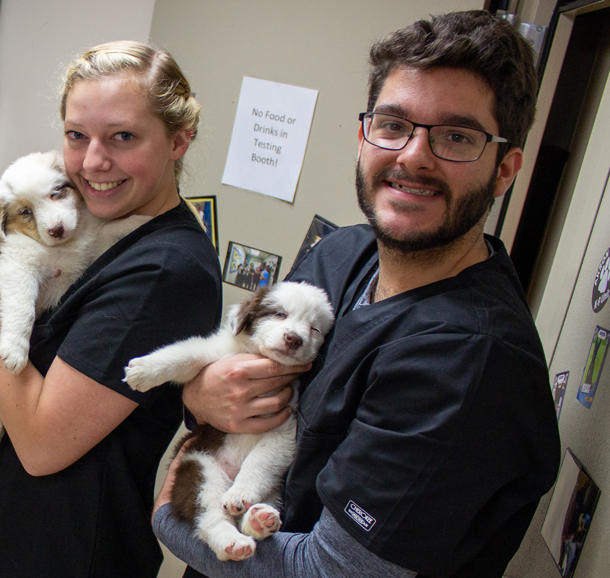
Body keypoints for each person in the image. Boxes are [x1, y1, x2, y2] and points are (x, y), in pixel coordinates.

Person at [155, 11, 561, 577]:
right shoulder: (341, 253)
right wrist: (198, 396)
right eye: (394, 125)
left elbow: (331, 570)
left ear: (504, 170)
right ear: (364, 135)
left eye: (457, 137)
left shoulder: (468, 359)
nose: (414, 155)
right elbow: (237, 374)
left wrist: (168, 519)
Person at [0, 41, 222, 577]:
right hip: (21, 538)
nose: (94, 162)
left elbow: (39, 442)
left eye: (123, 137)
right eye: (77, 136)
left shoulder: (164, 271)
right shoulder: (108, 233)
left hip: (75, 554)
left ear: (180, 139)